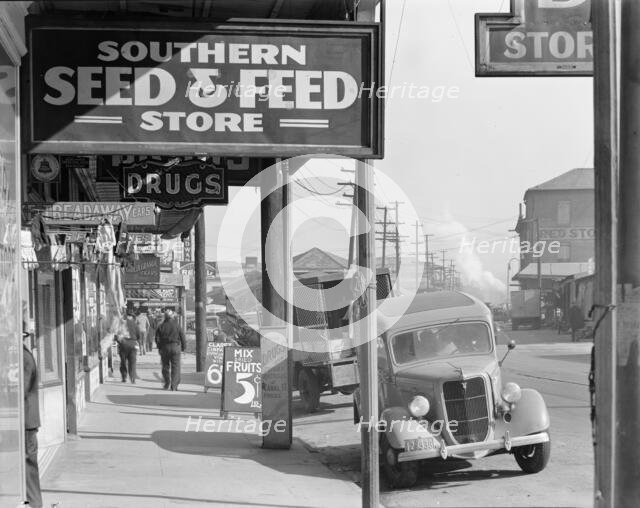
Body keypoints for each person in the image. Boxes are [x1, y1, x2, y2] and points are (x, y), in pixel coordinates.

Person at [23, 331, 43, 508]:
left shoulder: (23, 358)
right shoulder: (23, 355)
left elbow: (21, 389)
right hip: (26, 418)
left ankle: (35, 503)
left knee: (29, 464)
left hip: (27, 420)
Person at [155, 308, 186, 391]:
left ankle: (166, 383)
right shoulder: (177, 325)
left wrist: (159, 347)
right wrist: (183, 347)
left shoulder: (161, 326)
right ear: (172, 316)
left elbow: (157, 338)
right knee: (176, 367)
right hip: (175, 347)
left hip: (164, 348)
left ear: (165, 316)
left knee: (165, 366)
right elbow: (182, 336)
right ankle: (174, 385)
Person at [117, 312, 141, 383]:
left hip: (123, 344)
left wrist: (119, 342)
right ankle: (132, 378)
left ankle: (124, 377)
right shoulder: (135, 324)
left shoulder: (121, 324)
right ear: (132, 317)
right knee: (132, 362)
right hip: (133, 344)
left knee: (123, 361)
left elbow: (117, 334)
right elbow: (138, 335)